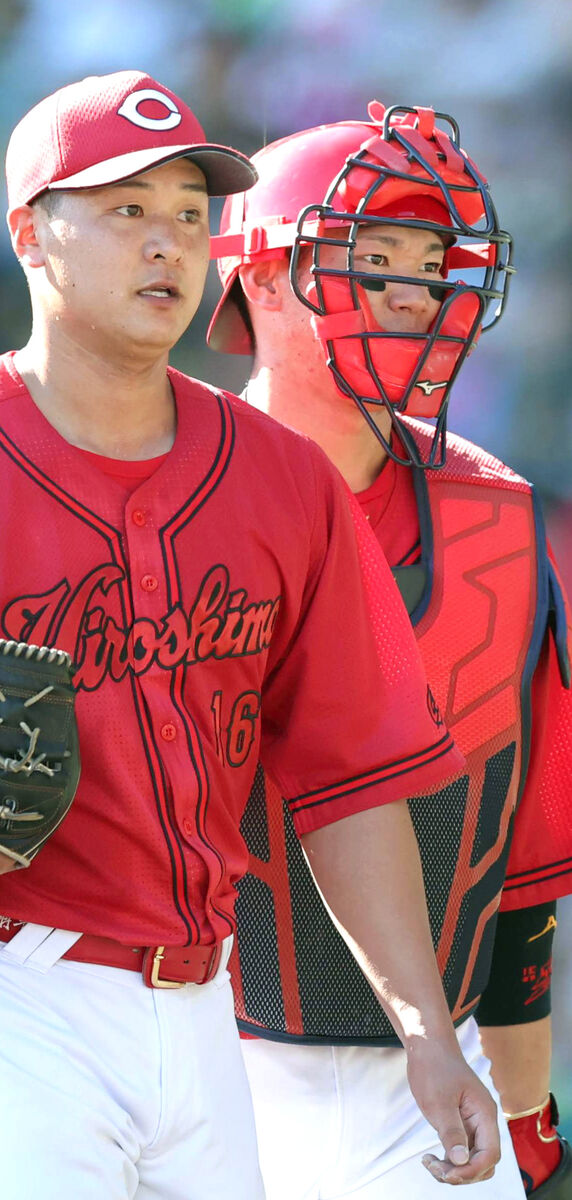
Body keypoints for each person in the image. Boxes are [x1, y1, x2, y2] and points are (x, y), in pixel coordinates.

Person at [0, 74, 499, 1199]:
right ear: (31, 234)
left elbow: (352, 779)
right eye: (125, 210)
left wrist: (424, 1030)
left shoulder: (282, 483)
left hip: (198, 1012)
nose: (167, 243)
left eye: (186, 212)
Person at [205, 100, 572, 1199]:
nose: (414, 293)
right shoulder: (157, 498)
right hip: (177, 1066)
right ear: (262, 278)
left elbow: (519, 875)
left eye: (431, 262)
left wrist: (528, 1111)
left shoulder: (502, 517)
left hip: (425, 1089)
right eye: (375, 260)